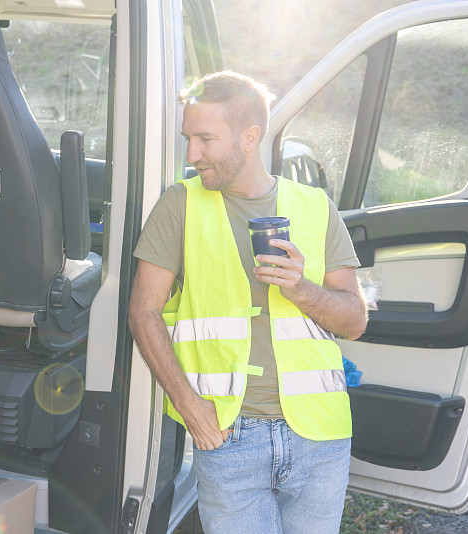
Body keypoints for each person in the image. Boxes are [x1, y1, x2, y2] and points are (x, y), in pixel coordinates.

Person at [128, 71, 368, 534]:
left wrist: (301, 288)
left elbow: (354, 320)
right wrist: (191, 408)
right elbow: (144, 312)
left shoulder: (316, 207)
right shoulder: (179, 204)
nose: (192, 154)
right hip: (229, 434)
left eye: (205, 139)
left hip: (320, 436)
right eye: (188, 138)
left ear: (249, 137)